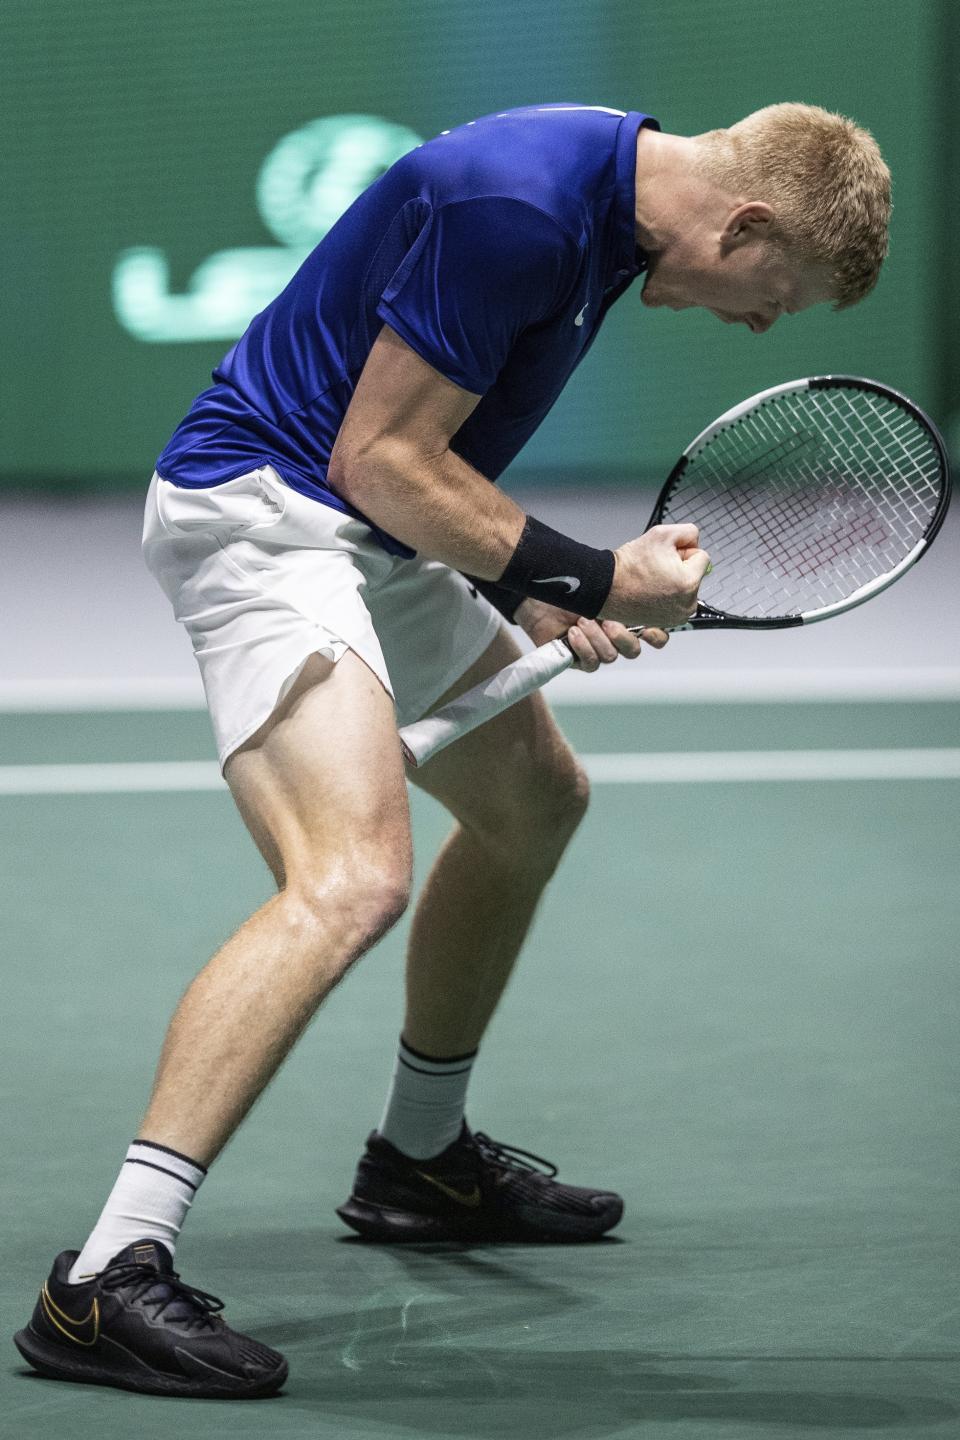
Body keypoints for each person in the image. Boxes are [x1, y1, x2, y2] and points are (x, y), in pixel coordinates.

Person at [15, 100, 890, 1399]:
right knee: (350, 875)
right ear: (747, 221)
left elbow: (424, 459)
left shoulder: (606, 203)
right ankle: (104, 1278)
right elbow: (377, 455)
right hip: (266, 518)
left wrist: (536, 589)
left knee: (534, 799)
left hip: (372, 533)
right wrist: (591, 571)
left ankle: (419, 1165)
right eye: (780, 293)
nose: (762, 320)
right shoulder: (524, 205)